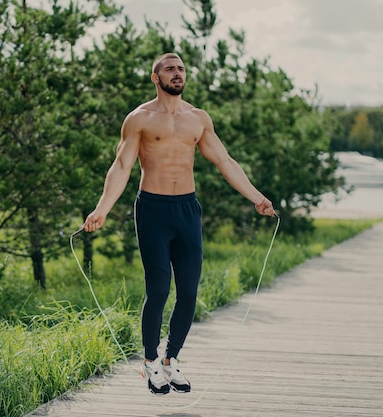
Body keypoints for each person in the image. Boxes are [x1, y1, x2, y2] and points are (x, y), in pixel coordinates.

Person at [83, 52, 275, 395]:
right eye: (170, 68)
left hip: (187, 209)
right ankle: (151, 362)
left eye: (181, 68)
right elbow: (122, 166)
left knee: (188, 292)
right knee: (158, 290)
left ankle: (171, 360)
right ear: (155, 77)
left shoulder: (198, 119)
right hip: (153, 210)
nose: (177, 73)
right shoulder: (139, 119)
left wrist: (256, 197)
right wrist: (102, 209)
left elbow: (224, 161)